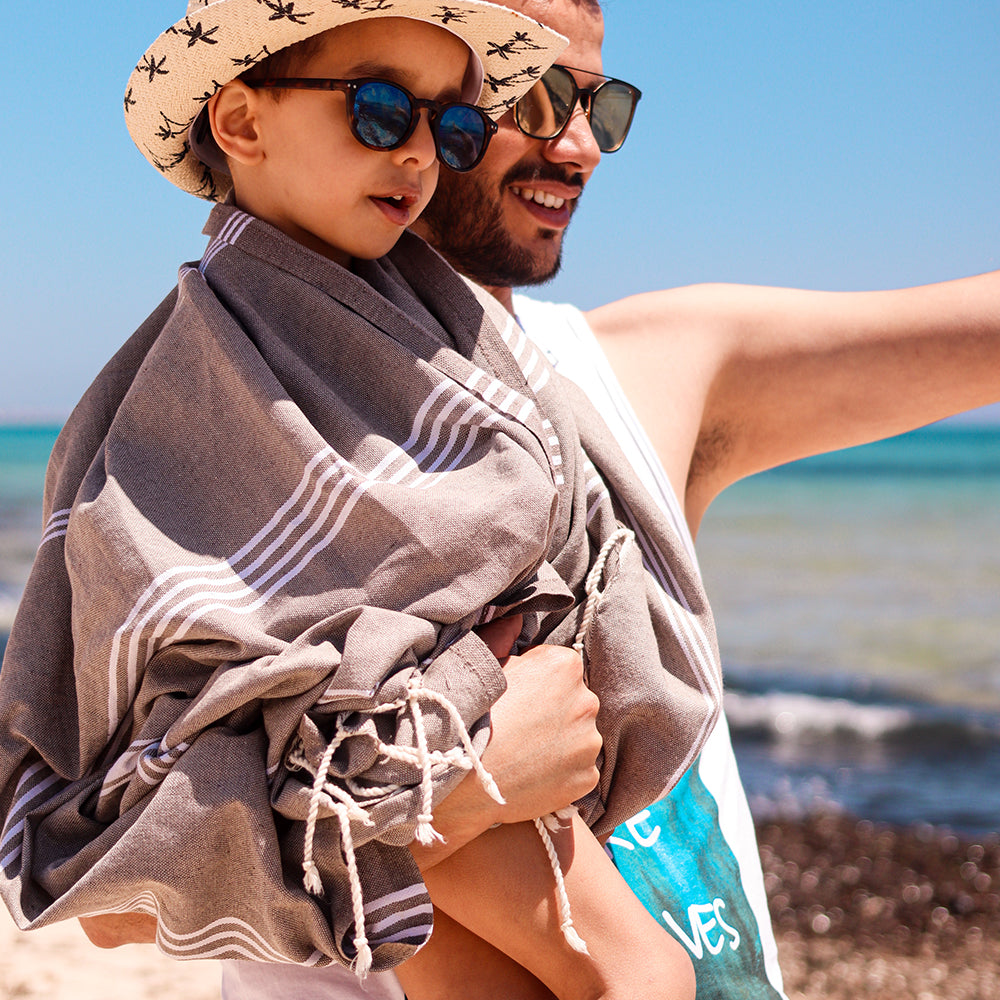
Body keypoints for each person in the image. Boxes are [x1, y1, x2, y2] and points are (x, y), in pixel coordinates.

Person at [0, 2, 709, 999]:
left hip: (411, 747)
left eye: (448, 124)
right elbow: (169, 623)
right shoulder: (191, 378)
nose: (421, 152)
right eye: (379, 112)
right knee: (643, 973)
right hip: (385, 742)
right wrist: (446, 751)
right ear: (242, 124)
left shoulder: (421, 326)